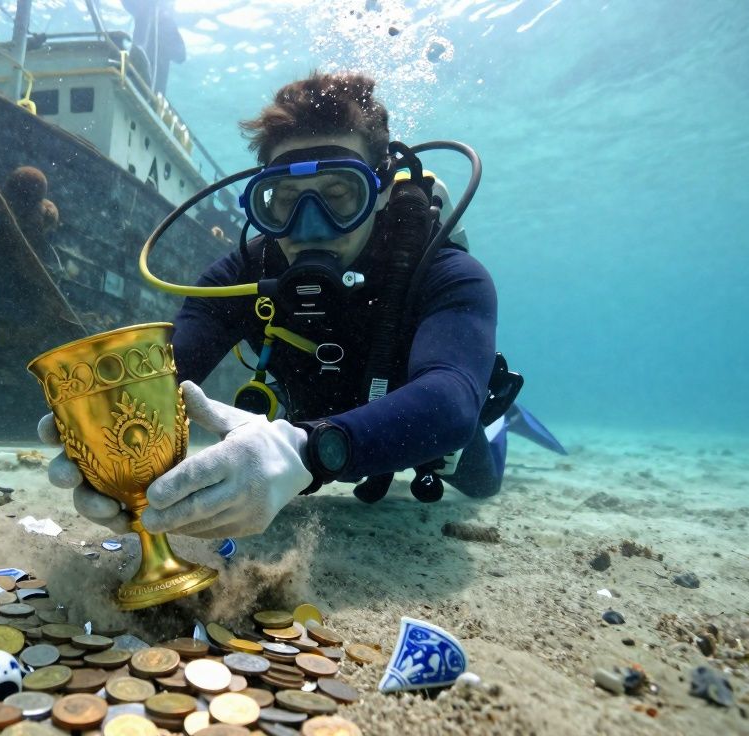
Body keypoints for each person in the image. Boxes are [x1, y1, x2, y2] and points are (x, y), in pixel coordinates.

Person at [40, 71, 563, 539]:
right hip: (326, 429)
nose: (309, 227)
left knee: (480, 482)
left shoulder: (447, 274)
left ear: (380, 190)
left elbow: (449, 402)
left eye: (339, 197)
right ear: (261, 202)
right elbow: (172, 370)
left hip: (428, 438)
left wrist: (304, 450)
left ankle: (507, 420)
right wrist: (106, 423)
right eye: (286, 201)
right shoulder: (241, 276)